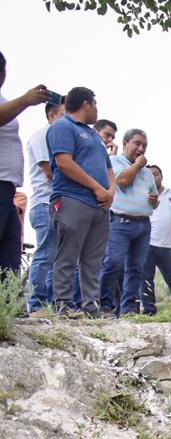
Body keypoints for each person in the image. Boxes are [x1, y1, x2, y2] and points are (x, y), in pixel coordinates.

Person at [47, 87, 115, 316]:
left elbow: (108, 167)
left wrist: (110, 191)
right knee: (67, 254)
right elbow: (64, 162)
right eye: (95, 104)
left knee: (94, 259)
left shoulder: (94, 136)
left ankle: (91, 307)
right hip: (72, 198)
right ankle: (63, 305)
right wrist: (97, 187)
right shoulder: (62, 126)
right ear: (86, 104)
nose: (97, 110)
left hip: (99, 205)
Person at [99, 129, 158, 316]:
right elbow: (122, 181)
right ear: (125, 143)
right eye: (137, 144)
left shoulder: (148, 173)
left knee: (135, 269)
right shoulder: (115, 161)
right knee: (113, 263)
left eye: (144, 146)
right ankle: (105, 306)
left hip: (143, 224)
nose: (141, 149)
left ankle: (129, 308)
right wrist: (138, 165)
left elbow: (154, 195)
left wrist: (154, 200)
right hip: (120, 222)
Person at [0, 51, 48, 277]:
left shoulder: (4, 101)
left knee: (10, 253)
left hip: (8, 186)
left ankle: (6, 305)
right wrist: (26, 100)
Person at [25, 99, 64, 312]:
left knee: (56, 258)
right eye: (64, 114)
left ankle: (49, 305)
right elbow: (49, 172)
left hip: (57, 205)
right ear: (52, 115)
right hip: (43, 203)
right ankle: (36, 304)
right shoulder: (42, 135)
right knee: (45, 255)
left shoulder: (58, 138)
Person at [140, 164, 171, 314]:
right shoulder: (140, 194)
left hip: (166, 246)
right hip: (147, 244)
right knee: (146, 279)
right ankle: (149, 311)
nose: (153, 177)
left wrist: (166, 227)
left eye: (156, 174)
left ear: (161, 176)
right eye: (150, 174)